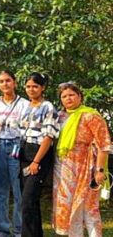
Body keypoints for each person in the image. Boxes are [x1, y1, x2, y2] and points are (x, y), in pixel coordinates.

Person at [52, 82, 111, 236]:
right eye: (64, 96)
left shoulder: (91, 115)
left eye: (71, 95)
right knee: (71, 206)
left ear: (80, 96)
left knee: (89, 207)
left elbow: (104, 145)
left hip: (88, 166)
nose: (68, 98)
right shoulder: (60, 117)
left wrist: (99, 170)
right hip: (64, 167)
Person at [18, 73, 59, 237]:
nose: (31, 89)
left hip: (39, 154)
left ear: (43, 88)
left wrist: (36, 161)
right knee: (30, 201)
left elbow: (49, 137)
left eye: (35, 86)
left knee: (27, 201)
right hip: (24, 153)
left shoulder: (48, 107)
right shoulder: (26, 106)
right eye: (28, 86)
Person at [0, 70, 28, 237]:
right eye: (1, 81)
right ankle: (2, 229)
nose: (5, 84)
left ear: (15, 82)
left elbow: (28, 128)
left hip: (17, 146)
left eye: (8, 80)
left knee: (19, 191)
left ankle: (19, 229)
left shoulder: (24, 104)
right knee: (0, 191)